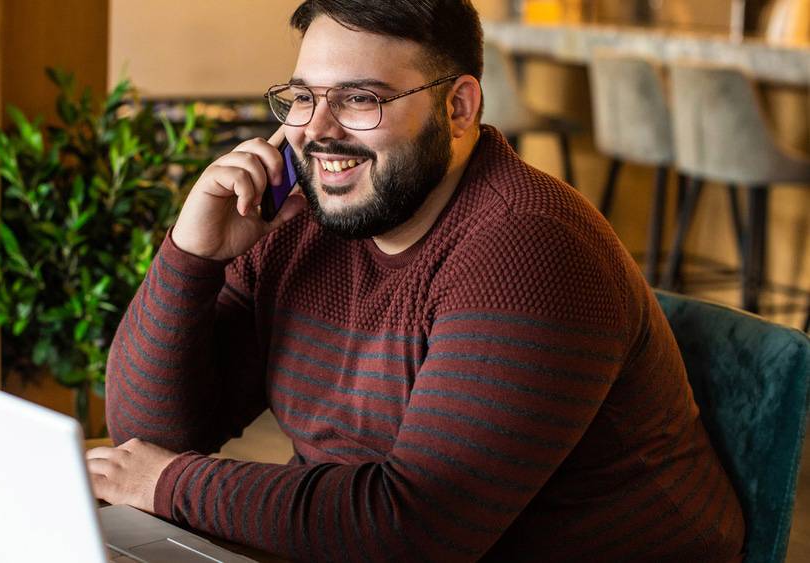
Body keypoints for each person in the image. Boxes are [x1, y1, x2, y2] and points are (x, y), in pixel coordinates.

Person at [86, 1, 746, 560]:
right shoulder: (299, 221)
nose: (316, 131)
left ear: (458, 108)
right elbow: (150, 435)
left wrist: (167, 483)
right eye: (304, 97)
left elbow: (417, 529)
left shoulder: (529, 248)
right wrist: (190, 255)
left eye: (359, 99)